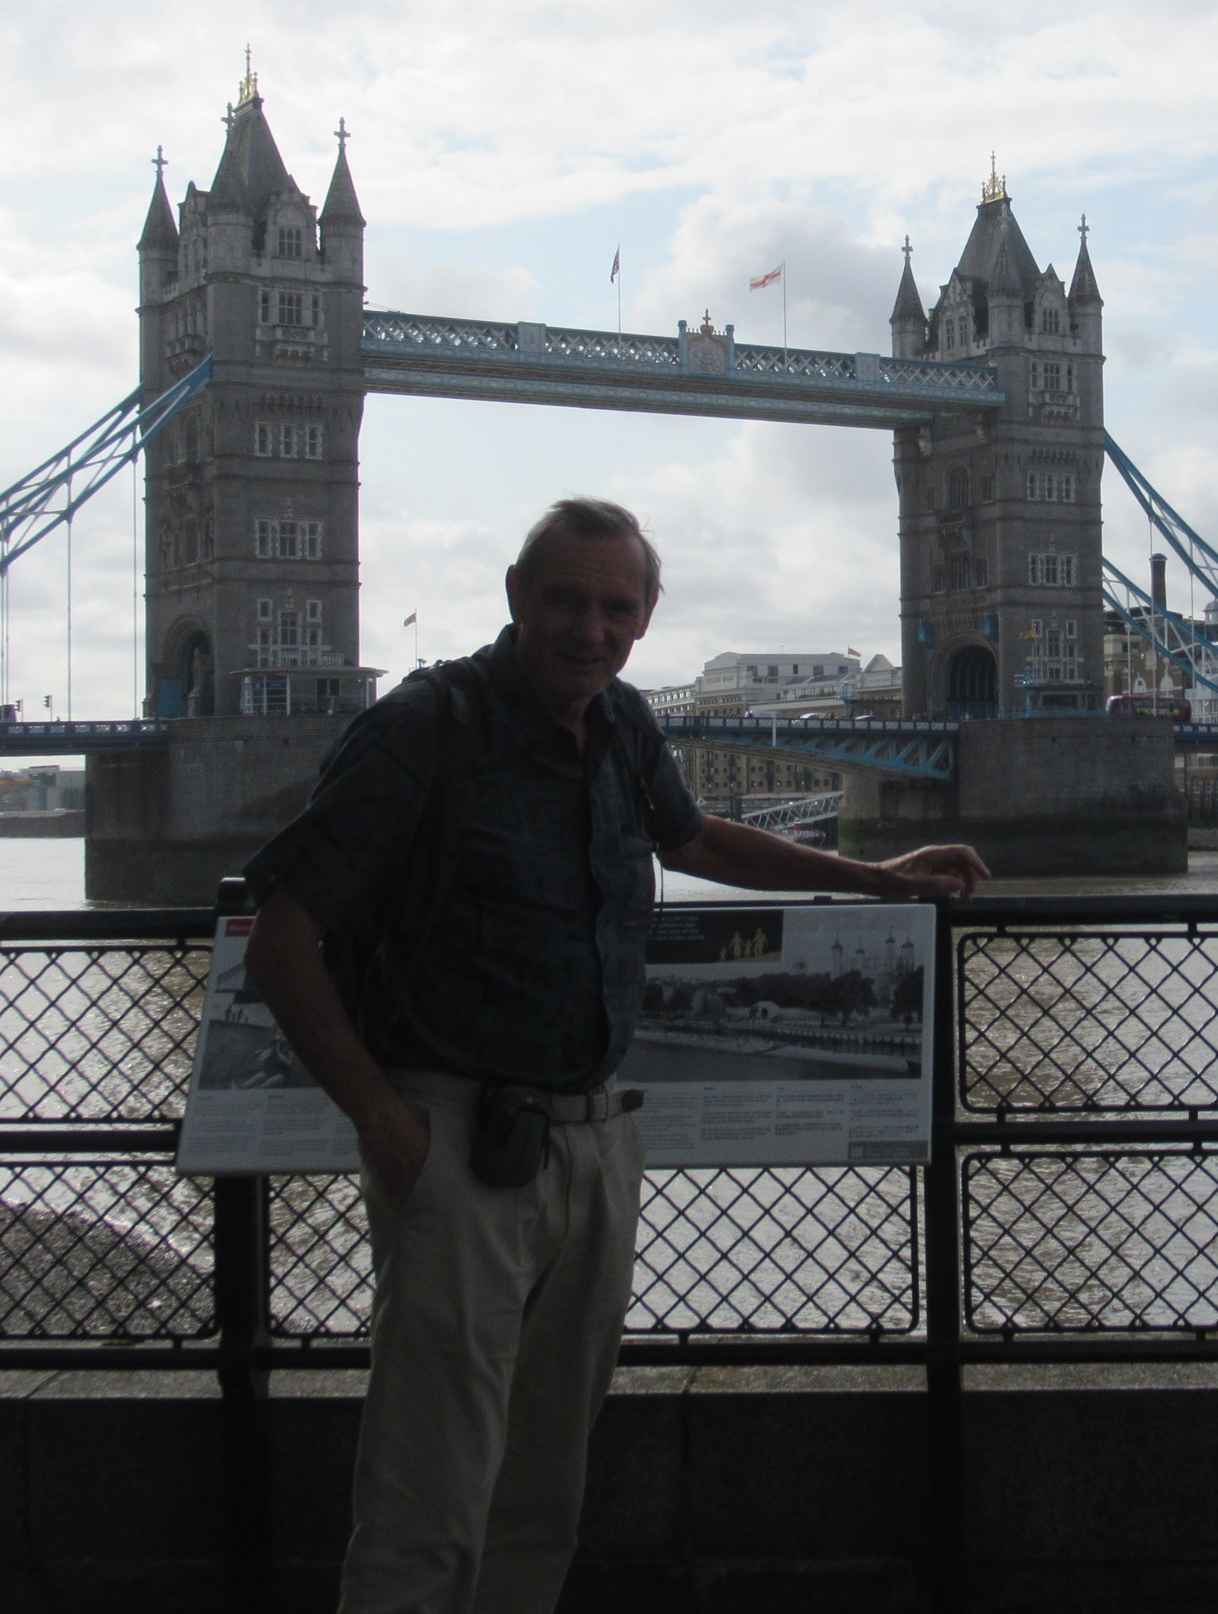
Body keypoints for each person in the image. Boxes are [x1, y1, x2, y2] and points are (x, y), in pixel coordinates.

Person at [241, 497, 987, 1614]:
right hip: (454, 1138)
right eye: (565, 601)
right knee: (427, 1499)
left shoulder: (625, 723)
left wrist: (880, 879)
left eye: (616, 609)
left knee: (543, 1488)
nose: (589, 629)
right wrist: (390, 1129)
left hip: (593, 1137)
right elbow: (282, 939)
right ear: (515, 598)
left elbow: (693, 839)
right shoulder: (426, 726)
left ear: (645, 618)